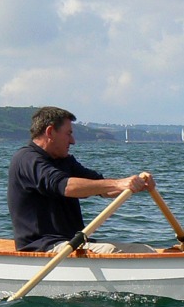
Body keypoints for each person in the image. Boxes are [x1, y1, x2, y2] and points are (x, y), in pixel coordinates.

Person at [8, 106, 156, 253]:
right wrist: (117, 183)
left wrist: (135, 185)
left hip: (73, 243)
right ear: (50, 132)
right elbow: (65, 186)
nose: (72, 141)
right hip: (42, 246)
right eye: (68, 134)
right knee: (111, 250)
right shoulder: (27, 159)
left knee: (145, 250)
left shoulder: (65, 161)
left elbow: (103, 189)